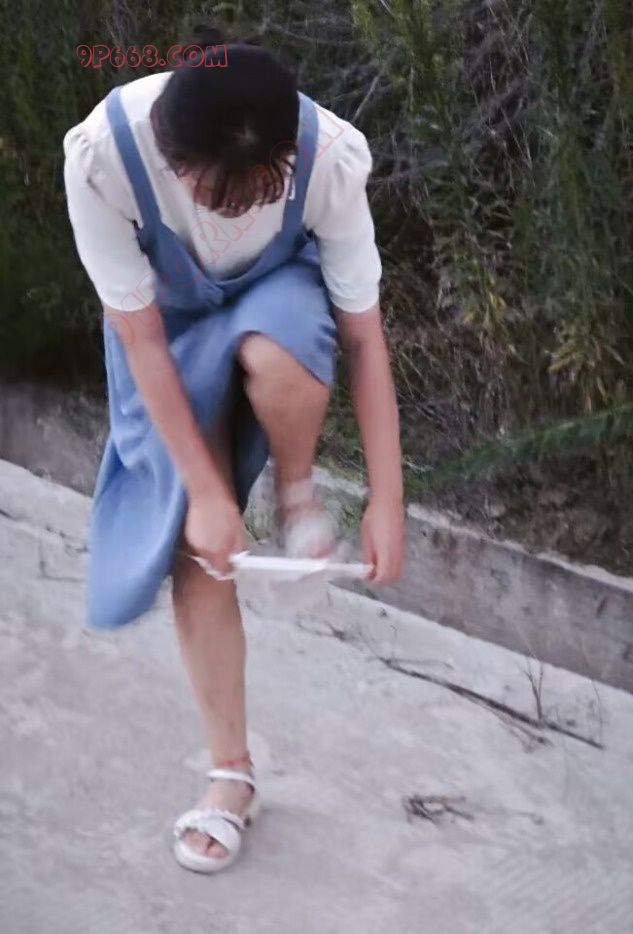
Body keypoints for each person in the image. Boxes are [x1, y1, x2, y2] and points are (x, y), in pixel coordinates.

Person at [62, 36, 404, 873]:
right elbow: (140, 338)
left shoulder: (328, 160)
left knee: (281, 351)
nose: (231, 211)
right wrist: (208, 493)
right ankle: (231, 775)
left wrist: (388, 500)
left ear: (286, 158)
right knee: (196, 537)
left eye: (257, 192)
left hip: (276, 305)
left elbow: (363, 339)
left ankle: (296, 494)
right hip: (165, 329)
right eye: (212, 194)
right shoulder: (104, 159)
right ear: (170, 157)